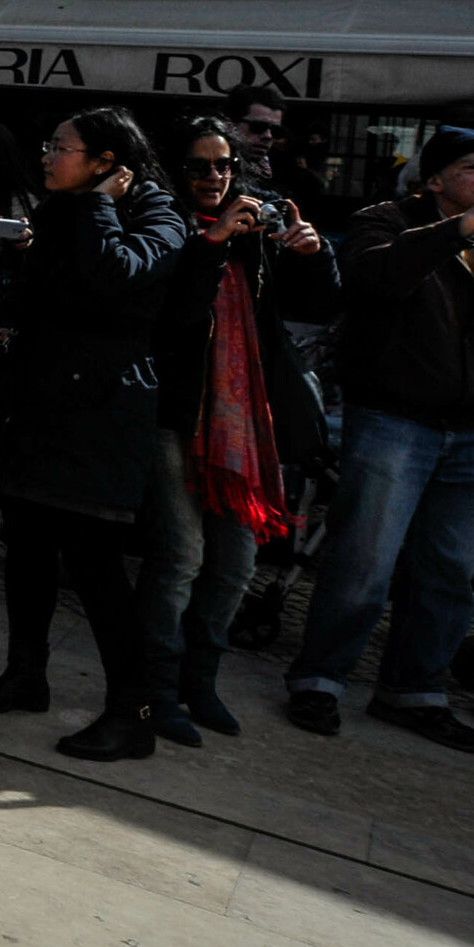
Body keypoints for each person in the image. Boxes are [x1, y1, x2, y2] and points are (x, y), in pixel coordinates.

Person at [283, 127, 474, 748]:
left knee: (449, 571)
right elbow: (376, 280)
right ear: (434, 179)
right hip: (395, 419)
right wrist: (472, 219)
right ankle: (319, 681)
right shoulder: (384, 222)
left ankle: (413, 691)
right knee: (364, 561)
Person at [0, 108, 188, 761]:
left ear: (107, 162)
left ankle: (132, 712)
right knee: (25, 545)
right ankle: (25, 675)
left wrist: (99, 208)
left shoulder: (157, 214)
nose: (49, 155)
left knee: (95, 566)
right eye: (49, 142)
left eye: (62, 146)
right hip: (40, 401)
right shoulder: (68, 205)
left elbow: (116, 274)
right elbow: (46, 287)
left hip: (101, 412)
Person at [134, 117, 336, 744]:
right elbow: (174, 319)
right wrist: (213, 241)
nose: (214, 177)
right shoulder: (160, 223)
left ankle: (201, 682)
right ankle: (154, 692)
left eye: (224, 166)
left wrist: (309, 254)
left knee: (236, 563)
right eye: (200, 166)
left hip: (243, 419)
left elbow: (316, 309)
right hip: (176, 413)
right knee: (180, 558)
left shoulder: (253, 232)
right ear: (177, 170)